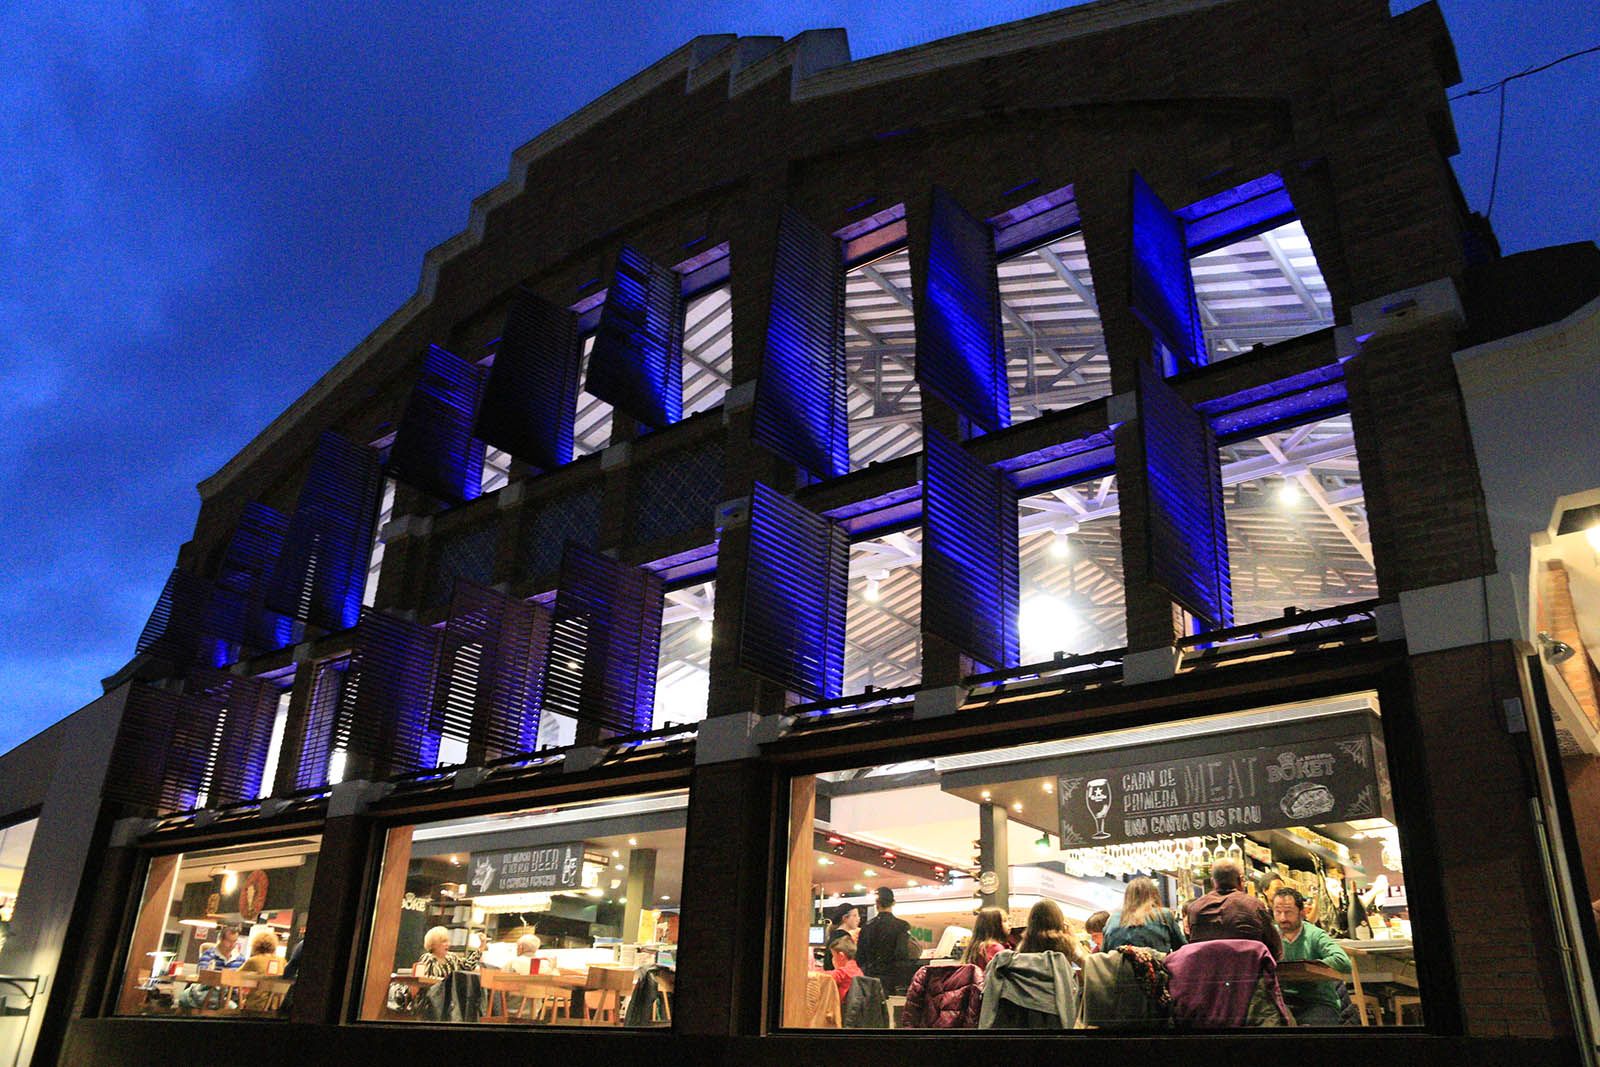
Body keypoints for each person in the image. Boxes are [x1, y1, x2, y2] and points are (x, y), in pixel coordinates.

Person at [1272, 887, 1351, 1026]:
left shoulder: (1314, 935)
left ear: (1301, 912)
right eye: (1278, 912)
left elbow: (1343, 961)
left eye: (1288, 912)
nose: (1283, 918)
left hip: (1318, 1002)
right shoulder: (1271, 936)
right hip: (1284, 1001)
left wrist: (1309, 968)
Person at [1185, 859, 1281, 959]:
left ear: (1213, 882)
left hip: (1205, 973)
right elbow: (1276, 950)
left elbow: (1192, 949)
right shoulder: (1253, 905)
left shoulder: (1194, 909)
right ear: (1241, 880)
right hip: (1247, 972)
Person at [1103, 876, 1186, 953]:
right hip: (1154, 967)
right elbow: (1182, 950)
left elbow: (1104, 952)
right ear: (1154, 895)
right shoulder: (1164, 915)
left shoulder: (1112, 919)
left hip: (1118, 967)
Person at [856, 888, 916, 981]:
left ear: (877, 904)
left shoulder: (866, 927)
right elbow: (902, 953)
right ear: (893, 903)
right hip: (892, 975)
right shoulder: (902, 926)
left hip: (870, 976)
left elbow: (860, 956)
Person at [415, 926, 485, 979]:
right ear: (434, 944)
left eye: (448, 941)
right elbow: (422, 979)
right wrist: (445, 981)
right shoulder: (427, 958)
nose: (448, 944)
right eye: (444, 941)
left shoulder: (452, 958)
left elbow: (468, 966)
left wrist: (481, 947)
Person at [238, 930, 281, 1012]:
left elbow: (233, 977)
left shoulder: (254, 961)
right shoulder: (282, 961)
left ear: (256, 945)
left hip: (256, 1006)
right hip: (276, 1007)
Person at [829, 936, 865, 1002]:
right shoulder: (857, 970)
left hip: (842, 1010)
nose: (832, 959)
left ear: (841, 956)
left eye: (833, 956)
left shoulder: (843, 972)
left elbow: (823, 977)